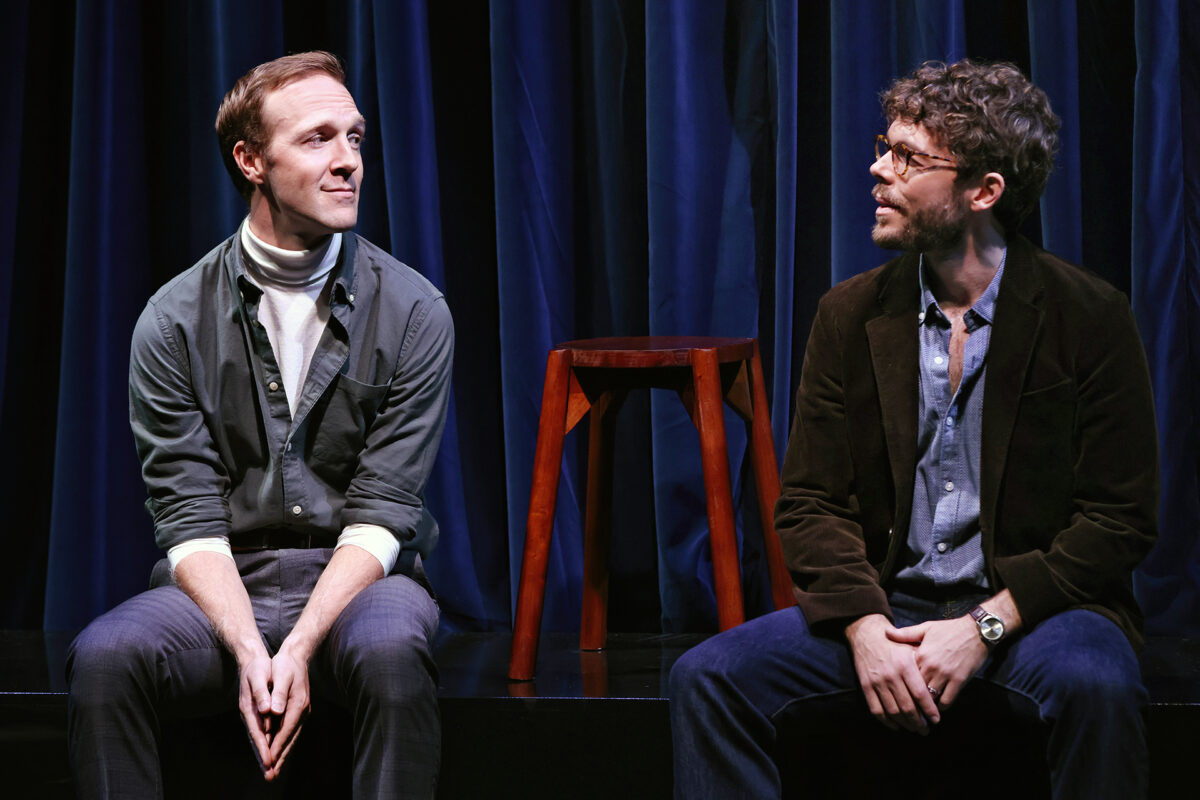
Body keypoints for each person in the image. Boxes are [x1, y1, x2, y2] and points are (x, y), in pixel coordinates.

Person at [669, 60, 1157, 799]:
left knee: (1096, 682)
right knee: (706, 679)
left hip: (1032, 613)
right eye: (883, 146)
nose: (877, 169)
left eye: (907, 157)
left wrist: (987, 626)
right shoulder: (851, 313)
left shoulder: (1088, 317)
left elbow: (1119, 520)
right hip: (887, 605)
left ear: (984, 191)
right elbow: (810, 503)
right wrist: (864, 626)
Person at [66, 51, 453, 799]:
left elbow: (383, 510)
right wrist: (249, 648)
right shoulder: (173, 320)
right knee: (106, 656)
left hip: (360, 580)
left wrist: (301, 645)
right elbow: (187, 516)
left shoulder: (413, 310)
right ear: (250, 160)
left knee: (394, 653)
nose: (348, 163)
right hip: (223, 580)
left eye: (356, 137)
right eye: (317, 140)